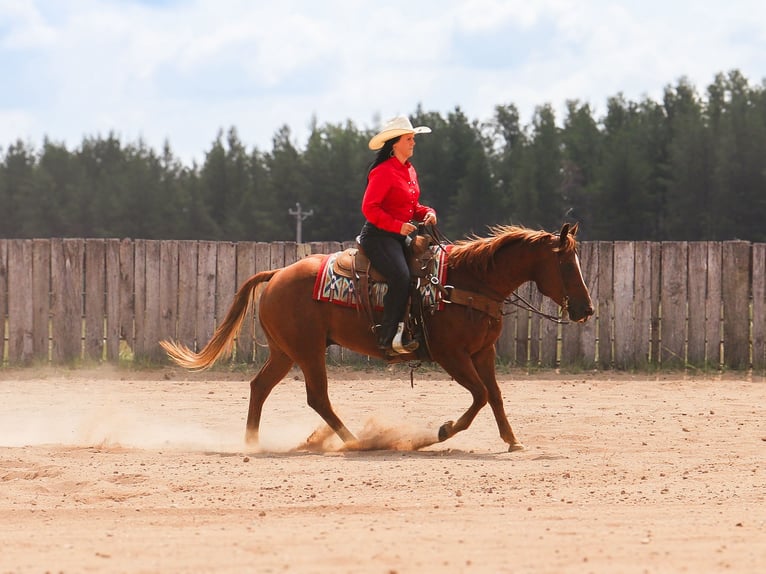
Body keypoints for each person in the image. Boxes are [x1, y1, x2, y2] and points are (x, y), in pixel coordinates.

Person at [358, 116, 438, 355]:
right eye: (409, 139)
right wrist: (398, 226)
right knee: (401, 277)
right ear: (395, 143)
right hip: (378, 237)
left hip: (397, 235)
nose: (413, 143)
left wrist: (429, 212)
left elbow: (412, 207)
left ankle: (410, 331)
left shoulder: (409, 171)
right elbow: (369, 208)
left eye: (413, 138)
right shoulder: (383, 172)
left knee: (422, 274)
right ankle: (387, 337)